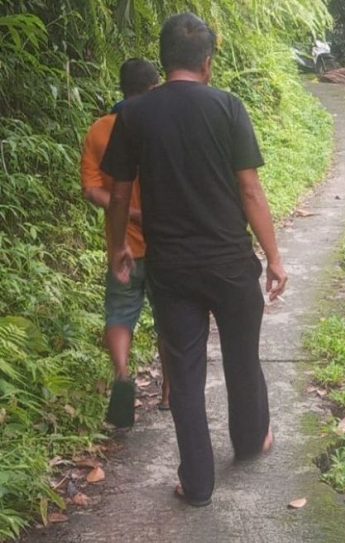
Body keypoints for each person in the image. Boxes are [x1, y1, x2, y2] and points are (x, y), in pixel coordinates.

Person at [101, 13, 287, 507]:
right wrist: (273, 257)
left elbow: (118, 196)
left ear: (164, 62)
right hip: (229, 261)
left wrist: (118, 247)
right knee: (242, 357)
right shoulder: (227, 106)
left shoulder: (134, 115)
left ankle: (198, 483)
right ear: (207, 62)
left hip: (171, 268)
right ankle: (251, 441)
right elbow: (249, 189)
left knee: (184, 373)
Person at [81, 58, 171, 428]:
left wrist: (128, 214)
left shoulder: (100, 129)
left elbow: (92, 189)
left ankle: (121, 374)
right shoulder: (161, 127)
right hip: (166, 243)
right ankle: (169, 393)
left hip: (122, 248)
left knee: (119, 313)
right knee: (169, 318)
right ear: (153, 87)